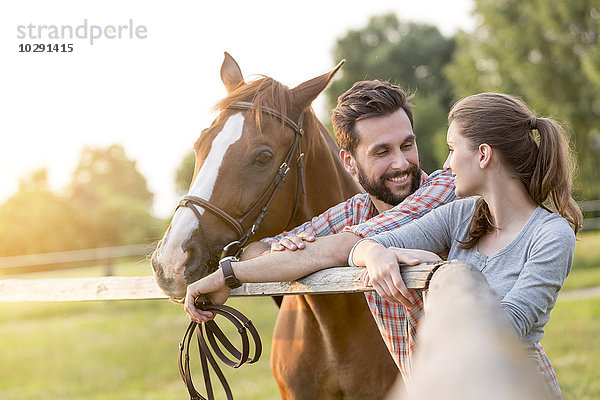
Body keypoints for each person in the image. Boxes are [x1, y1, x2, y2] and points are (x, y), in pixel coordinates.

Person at [185, 79, 457, 377]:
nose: (401, 163)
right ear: (349, 163)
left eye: (407, 145)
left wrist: (227, 276)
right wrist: (279, 248)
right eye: (382, 152)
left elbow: (339, 248)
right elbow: (255, 251)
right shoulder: (354, 211)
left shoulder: (446, 189)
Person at [349, 92, 582, 398]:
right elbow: (360, 246)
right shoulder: (462, 214)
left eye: (452, 148)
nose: (446, 164)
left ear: (483, 155)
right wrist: (375, 252)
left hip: (513, 388)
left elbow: (504, 329)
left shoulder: (550, 235)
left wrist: (437, 269)